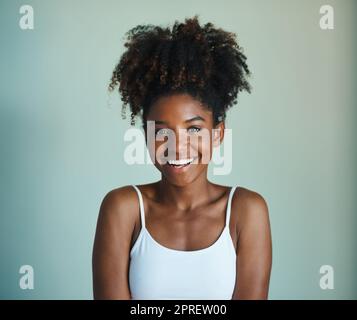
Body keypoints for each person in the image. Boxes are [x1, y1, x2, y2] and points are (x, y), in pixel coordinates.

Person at [92, 16, 272, 300]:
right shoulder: (123, 209)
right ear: (147, 136)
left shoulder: (246, 211)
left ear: (218, 134)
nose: (177, 146)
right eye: (162, 131)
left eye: (194, 129)